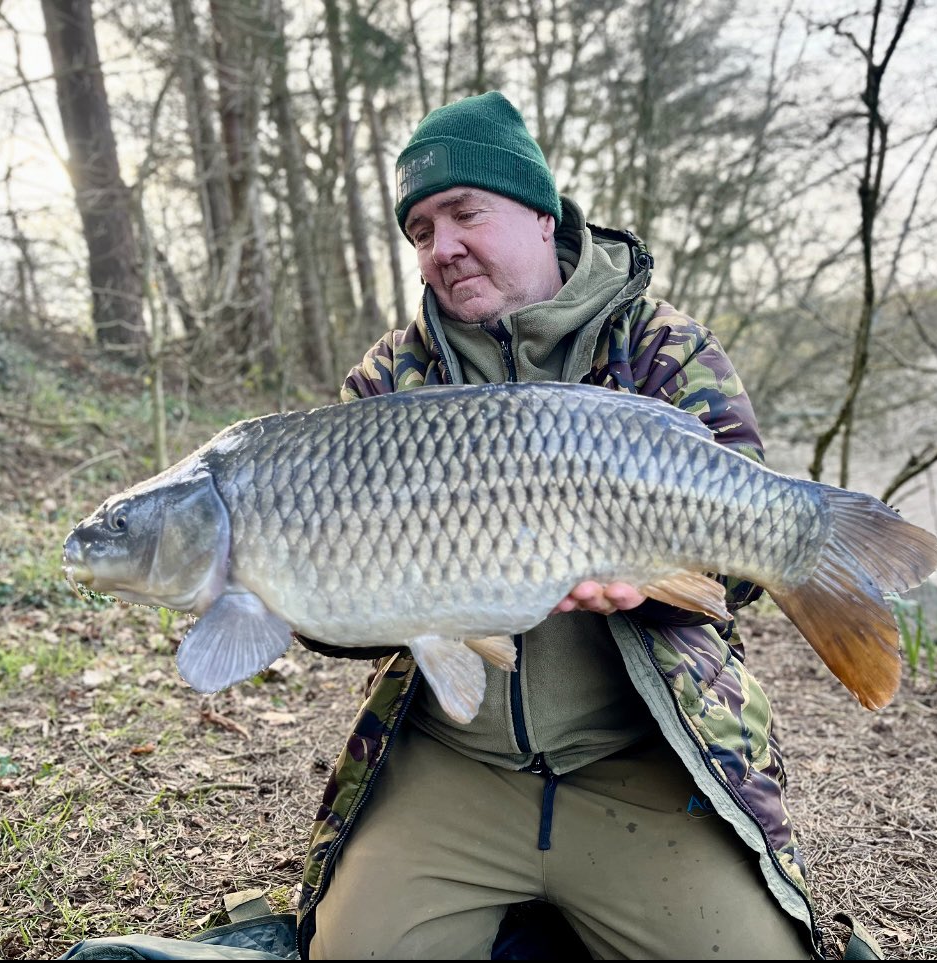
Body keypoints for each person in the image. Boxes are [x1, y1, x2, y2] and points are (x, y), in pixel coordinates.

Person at [294, 91, 879, 961]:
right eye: (420, 229)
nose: (441, 246)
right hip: (454, 762)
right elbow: (329, 609)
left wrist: (659, 584)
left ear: (542, 214)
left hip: (643, 760)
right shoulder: (387, 382)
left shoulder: (662, 346)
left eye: (464, 212)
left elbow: (740, 574)